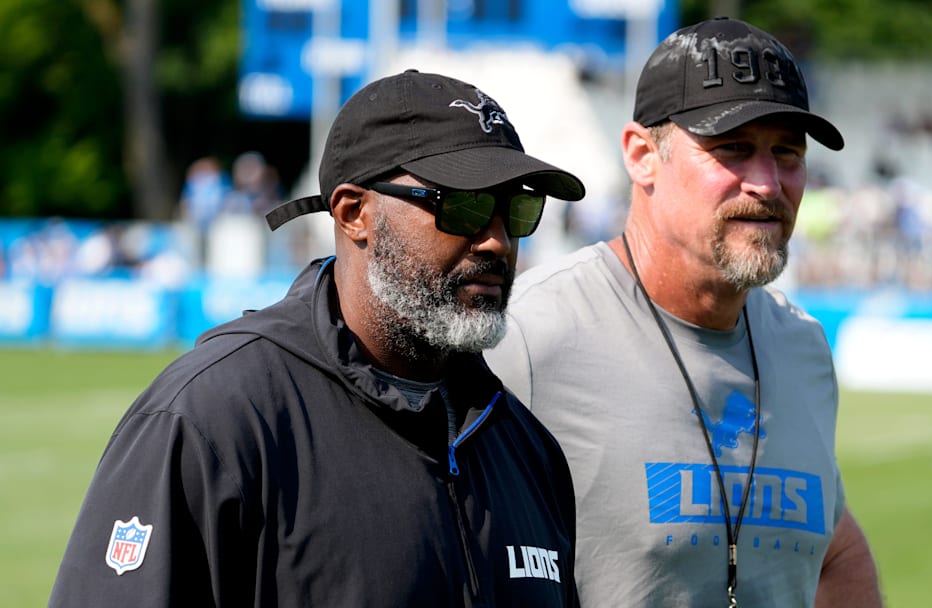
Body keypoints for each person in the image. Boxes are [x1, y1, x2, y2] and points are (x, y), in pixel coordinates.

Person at [49, 70, 585, 607]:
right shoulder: (213, 420)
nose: (497, 240)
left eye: (515, 209)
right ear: (354, 213)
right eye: (463, 205)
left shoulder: (524, 447)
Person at [485, 17, 883, 608]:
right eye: (733, 150)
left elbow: (836, 551)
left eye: (788, 154)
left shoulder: (802, 346)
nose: (768, 184)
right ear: (642, 155)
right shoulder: (527, 339)